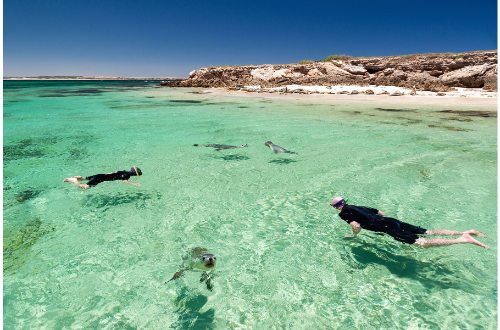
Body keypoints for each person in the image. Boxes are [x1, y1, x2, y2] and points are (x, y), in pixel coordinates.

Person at [330, 196, 489, 249]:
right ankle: (465, 231)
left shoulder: (344, 213)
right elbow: (380, 212)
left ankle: (463, 239)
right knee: (428, 232)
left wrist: (354, 236)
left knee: (423, 243)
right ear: (345, 201)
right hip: (391, 220)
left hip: (386, 227)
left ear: (336, 207)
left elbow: (356, 225)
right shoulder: (357, 206)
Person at [64, 166, 142, 189]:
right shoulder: (127, 175)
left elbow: (112, 172)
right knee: (85, 187)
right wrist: (135, 184)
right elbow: (125, 181)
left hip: (100, 175)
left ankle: (70, 178)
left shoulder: (124, 171)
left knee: (84, 178)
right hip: (100, 179)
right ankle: (74, 180)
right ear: (134, 174)